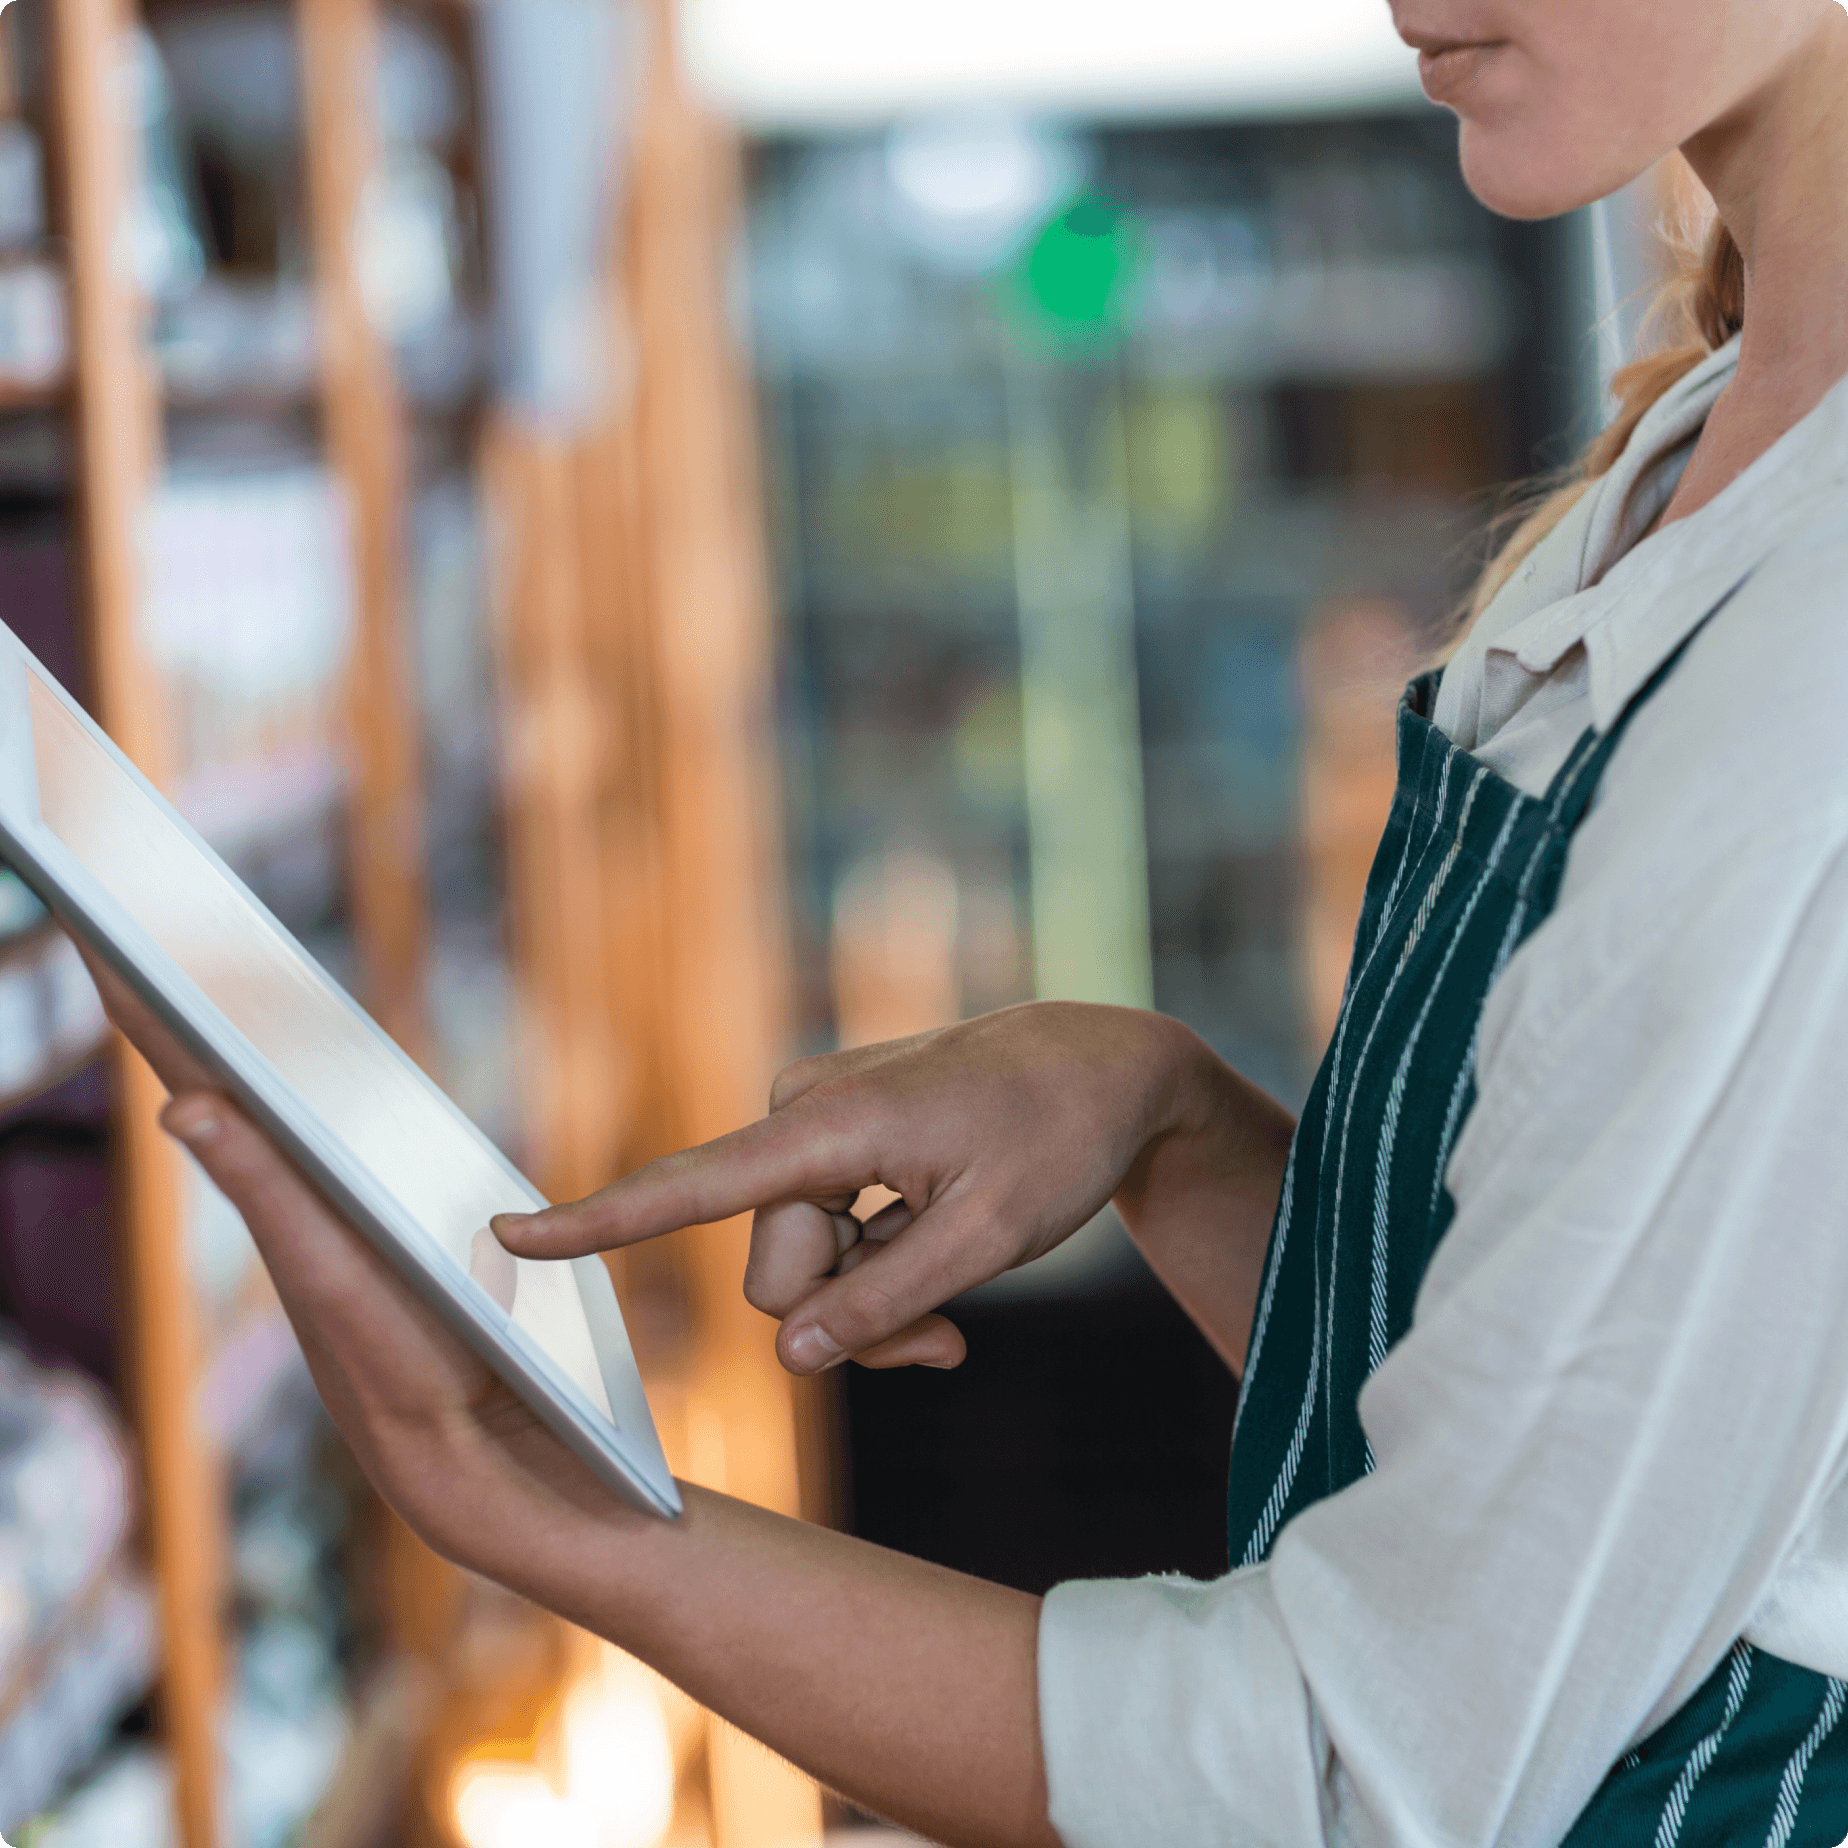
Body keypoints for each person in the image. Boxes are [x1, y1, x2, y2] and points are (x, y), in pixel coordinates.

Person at [90, 0, 1848, 1841]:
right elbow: (1605, 1446)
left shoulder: (1807, 669)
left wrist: (548, 1512)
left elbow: (1348, 1780)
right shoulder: (1694, 470)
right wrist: (1169, 1121)